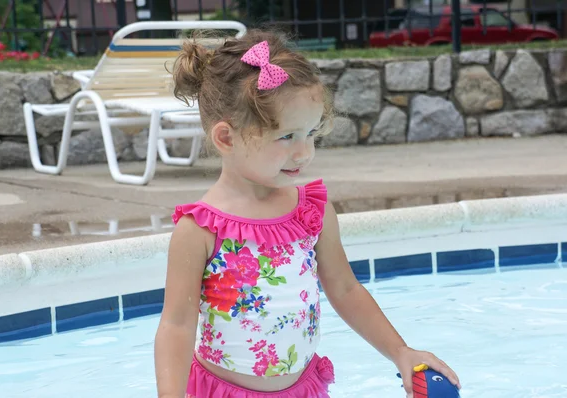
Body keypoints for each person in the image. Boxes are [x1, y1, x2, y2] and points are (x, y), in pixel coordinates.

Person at [154, 29, 461, 398]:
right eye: (286, 137)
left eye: (311, 133)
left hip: (303, 390)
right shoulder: (200, 229)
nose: (304, 153)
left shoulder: (311, 211)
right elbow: (176, 324)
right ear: (226, 138)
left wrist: (400, 351)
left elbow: (346, 289)